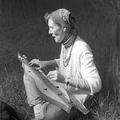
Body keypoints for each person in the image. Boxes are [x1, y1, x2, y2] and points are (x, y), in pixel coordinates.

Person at [23, 8, 102, 120]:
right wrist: (45, 63)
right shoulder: (66, 42)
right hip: (62, 90)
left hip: (76, 99)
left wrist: (65, 79)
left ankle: (47, 109)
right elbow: (67, 61)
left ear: (64, 28)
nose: (49, 32)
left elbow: (96, 83)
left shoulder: (82, 49)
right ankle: (39, 115)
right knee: (29, 73)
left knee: (52, 115)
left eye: (51, 28)